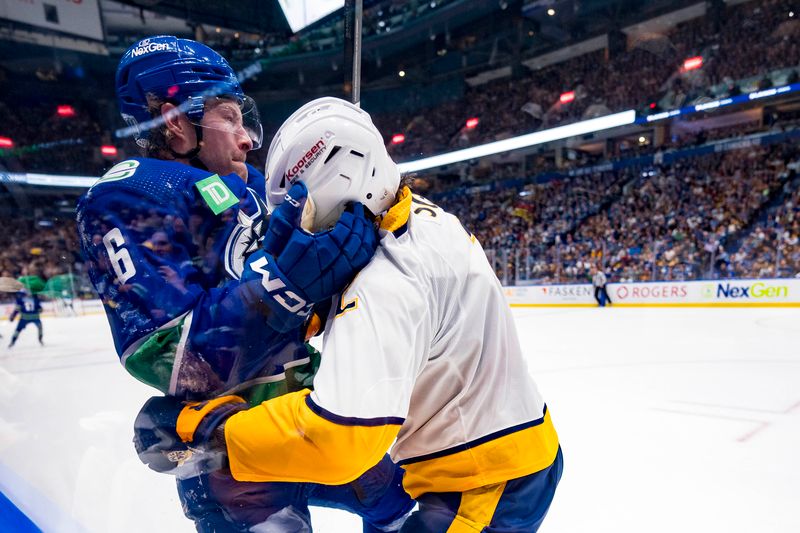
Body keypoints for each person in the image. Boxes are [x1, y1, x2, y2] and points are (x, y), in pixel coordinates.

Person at [152, 97, 563, 532]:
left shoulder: (384, 283)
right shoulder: (422, 217)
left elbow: (340, 440)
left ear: (337, 182)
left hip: (478, 485)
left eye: (301, 209)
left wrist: (209, 433)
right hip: (503, 457)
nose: (296, 226)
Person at [77, 37, 412, 532]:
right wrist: (282, 284)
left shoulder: (254, 186)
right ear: (175, 121)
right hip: (234, 462)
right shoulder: (128, 195)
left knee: (414, 508)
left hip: (313, 418)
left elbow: (304, 301)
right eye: (230, 117)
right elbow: (169, 355)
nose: (247, 137)